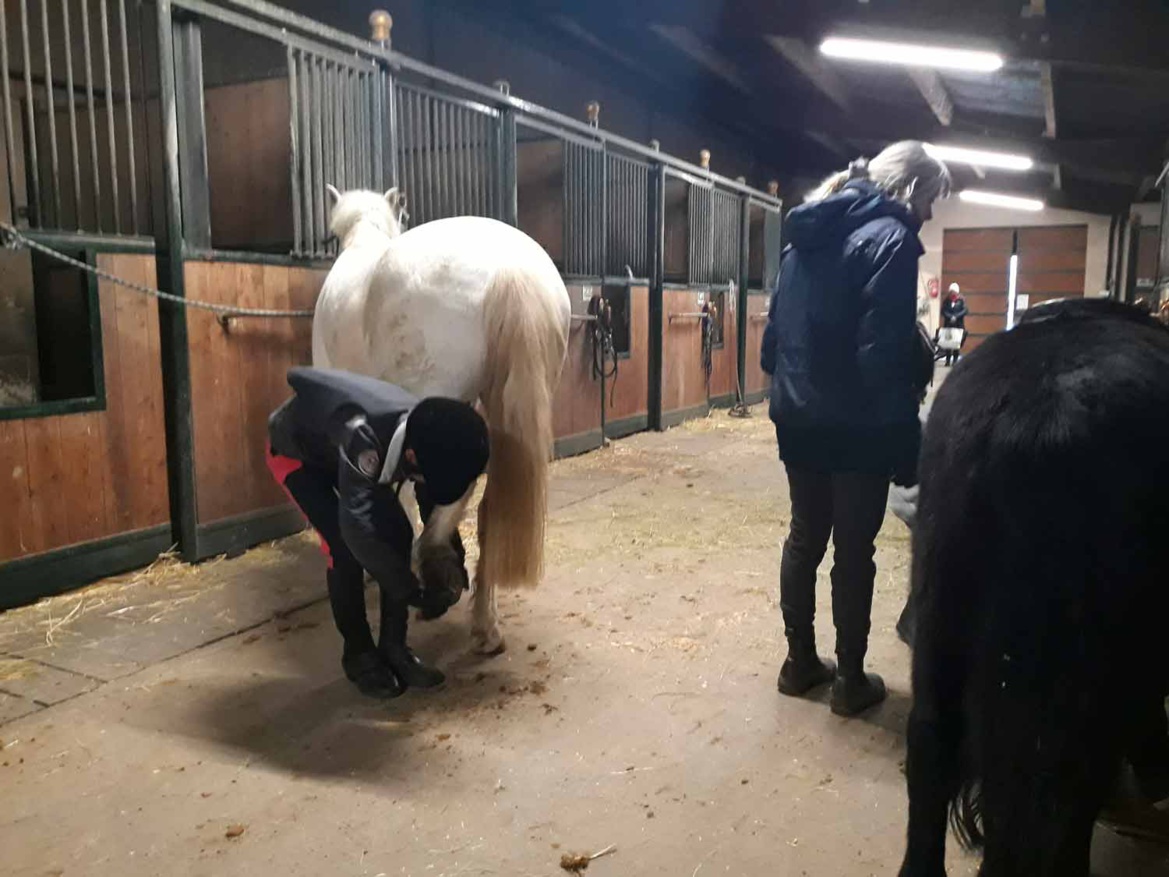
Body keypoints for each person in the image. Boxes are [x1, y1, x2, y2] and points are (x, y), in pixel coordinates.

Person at [761, 141, 950, 717]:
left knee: (804, 537)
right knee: (852, 550)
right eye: (931, 200)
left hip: (797, 417)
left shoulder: (802, 239)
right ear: (911, 189)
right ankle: (849, 681)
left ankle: (798, 663)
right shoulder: (891, 240)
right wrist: (905, 441)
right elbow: (882, 356)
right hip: (856, 426)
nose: (930, 214)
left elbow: (771, 345)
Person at [266, 366, 489, 699]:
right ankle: (358, 656)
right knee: (343, 548)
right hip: (299, 456)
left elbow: (431, 498)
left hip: (342, 452)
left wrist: (449, 560)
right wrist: (410, 590)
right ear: (412, 457)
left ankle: (394, 648)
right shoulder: (364, 438)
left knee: (398, 534)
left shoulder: (426, 431)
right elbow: (356, 528)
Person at [938, 282, 968, 366]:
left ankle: (955, 360)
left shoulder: (961, 301)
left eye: (954, 291)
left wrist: (956, 317)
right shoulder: (946, 301)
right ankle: (947, 360)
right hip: (948, 325)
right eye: (951, 291)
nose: (952, 293)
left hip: (958, 325)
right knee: (948, 343)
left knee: (956, 344)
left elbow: (965, 311)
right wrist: (950, 317)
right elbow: (943, 311)